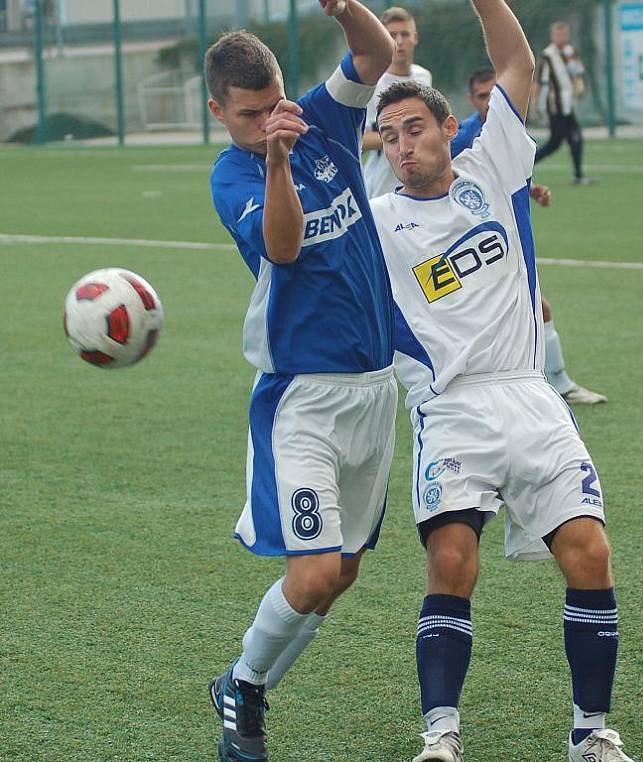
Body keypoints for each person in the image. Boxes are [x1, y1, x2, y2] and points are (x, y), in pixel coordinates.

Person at [371, 1, 634, 760]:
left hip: (528, 395)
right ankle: (441, 736)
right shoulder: (379, 221)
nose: (402, 146)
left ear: (450, 128)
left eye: (414, 129)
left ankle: (592, 733)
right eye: (388, 137)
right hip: (448, 408)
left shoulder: (494, 165)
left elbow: (516, 66)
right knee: (452, 560)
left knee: (588, 551)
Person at [203, 5, 396, 760]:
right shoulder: (235, 174)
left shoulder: (319, 117)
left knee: (340, 574)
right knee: (312, 570)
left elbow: (374, 56)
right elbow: (282, 250)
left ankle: (244, 683)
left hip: (376, 392)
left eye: (274, 103)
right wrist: (277, 160)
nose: (267, 121)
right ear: (218, 110)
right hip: (305, 401)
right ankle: (244, 690)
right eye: (249, 114)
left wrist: (348, 9)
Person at [453, 67, 607, 405]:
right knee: (531, 311)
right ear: (470, 99)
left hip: (505, 241)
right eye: (482, 96)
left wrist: (531, 189)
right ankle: (552, 386)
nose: (490, 103)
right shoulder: (463, 138)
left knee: (534, 311)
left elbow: (502, 178)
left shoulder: (508, 129)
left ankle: (549, 385)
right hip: (477, 246)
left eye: (494, 94)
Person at [362, 6, 432, 198]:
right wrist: (403, 135)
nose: (399, 41)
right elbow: (359, 140)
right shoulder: (370, 84)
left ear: (415, 38)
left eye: (405, 34)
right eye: (392, 35)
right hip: (382, 188)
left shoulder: (424, 77)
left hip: (420, 182)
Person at [531, 21, 594, 185]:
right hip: (555, 106)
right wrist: (535, 104)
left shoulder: (570, 52)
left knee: (571, 139)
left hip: (567, 105)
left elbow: (576, 73)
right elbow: (538, 82)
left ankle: (578, 175)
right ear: (553, 36)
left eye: (564, 34)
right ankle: (526, 167)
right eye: (558, 34)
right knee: (557, 142)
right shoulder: (547, 56)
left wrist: (579, 88)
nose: (562, 37)